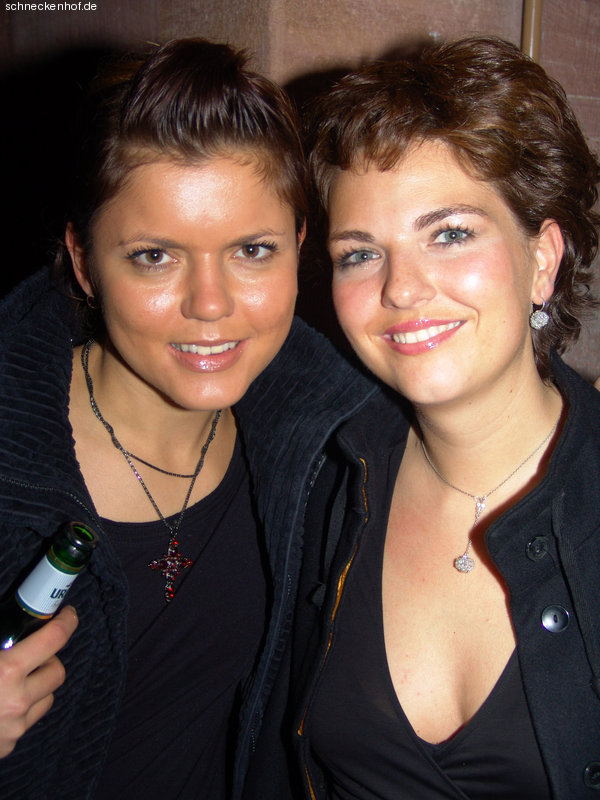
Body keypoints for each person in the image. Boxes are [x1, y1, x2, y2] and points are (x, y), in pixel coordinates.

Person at [0, 37, 380, 799]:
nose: (211, 305)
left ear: (300, 246)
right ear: (83, 261)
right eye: (154, 256)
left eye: (252, 250)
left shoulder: (335, 446)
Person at [242, 36, 600, 800]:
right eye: (359, 253)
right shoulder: (323, 476)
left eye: (450, 233)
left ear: (542, 259)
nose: (401, 289)